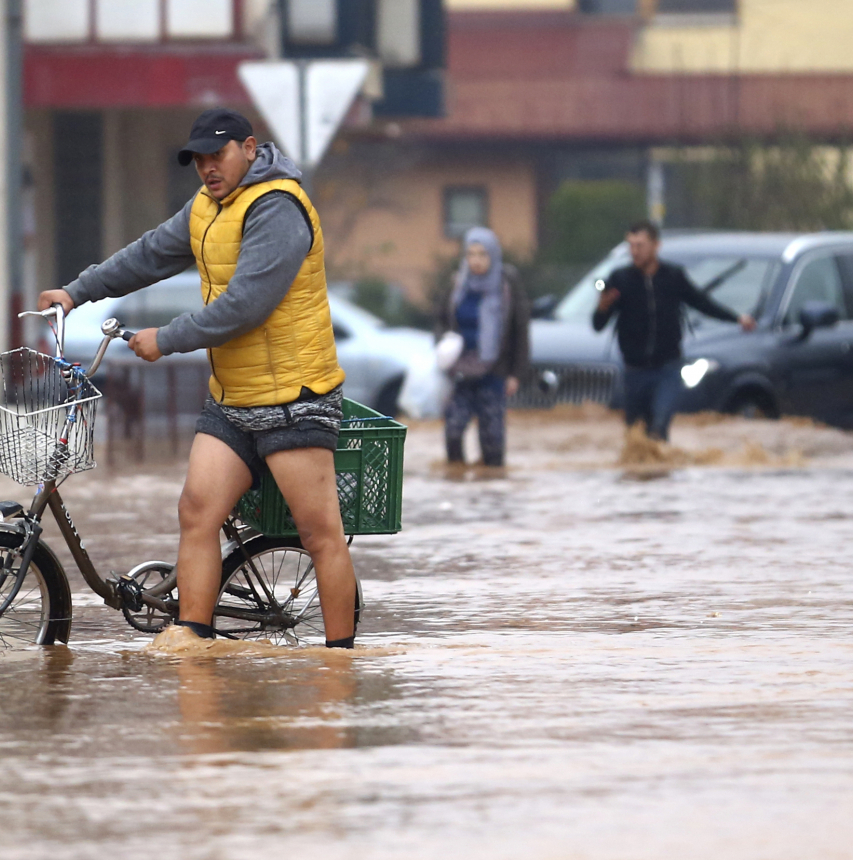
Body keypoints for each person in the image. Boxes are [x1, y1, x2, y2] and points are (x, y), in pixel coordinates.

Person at [38, 108, 360, 649]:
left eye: (219, 155)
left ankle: (339, 660)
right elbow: (149, 255)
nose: (209, 168)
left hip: (294, 398)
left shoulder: (277, 208)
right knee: (196, 511)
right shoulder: (207, 208)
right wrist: (77, 291)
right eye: (200, 160)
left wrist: (166, 337)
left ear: (250, 148)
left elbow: (246, 307)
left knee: (318, 533)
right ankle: (192, 639)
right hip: (233, 397)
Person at [592, 220, 756, 441]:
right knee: (636, 434)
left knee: (659, 427)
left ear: (656, 245)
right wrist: (602, 307)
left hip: (667, 369)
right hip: (634, 371)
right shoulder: (620, 280)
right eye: (630, 246)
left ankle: (663, 471)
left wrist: (737, 318)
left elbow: (702, 302)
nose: (634, 251)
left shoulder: (673, 276)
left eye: (640, 245)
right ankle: (642, 474)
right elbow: (598, 325)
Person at [435, 226, 532, 468]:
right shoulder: (458, 286)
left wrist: (516, 374)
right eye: (471, 254)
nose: (476, 261)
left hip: (494, 373)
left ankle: (491, 493)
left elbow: (521, 331)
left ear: (493, 255)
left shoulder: (506, 287)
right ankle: (456, 488)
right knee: (453, 432)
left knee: (492, 448)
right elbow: (440, 320)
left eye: (482, 254)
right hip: (460, 372)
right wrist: (443, 346)